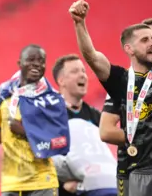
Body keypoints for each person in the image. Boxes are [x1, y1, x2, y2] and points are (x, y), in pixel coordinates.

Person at [69, 0, 152, 196]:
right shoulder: (121, 81)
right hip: (140, 172)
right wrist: (79, 22)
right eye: (145, 40)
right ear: (129, 49)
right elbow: (92, 57)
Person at [0, 44, 70, 196]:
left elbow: (60, 140)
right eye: (31, 60)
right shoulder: (6, 96)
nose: (37, 64)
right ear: (20, 64)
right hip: (10, 183)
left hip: (42, 182)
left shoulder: (52, 99)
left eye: (41, 61)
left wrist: (25, 131)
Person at [98, 17, 152, 196]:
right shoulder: (126, 83)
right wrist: (148, 136)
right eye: (147, 39)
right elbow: (106, 131)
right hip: (134, 169)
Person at [51, 54, 102, 196]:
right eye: (75, 71)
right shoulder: (49, 115)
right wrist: (64, 184)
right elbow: (42, 155)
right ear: (61, 81)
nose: (82, 75)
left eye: (83, 71)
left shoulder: (96, 116)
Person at [52, 119, 117, 196]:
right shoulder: (93, 132)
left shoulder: (64, 135)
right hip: (116, 185)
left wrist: (77, 186)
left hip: (94, 189)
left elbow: (68, 185)